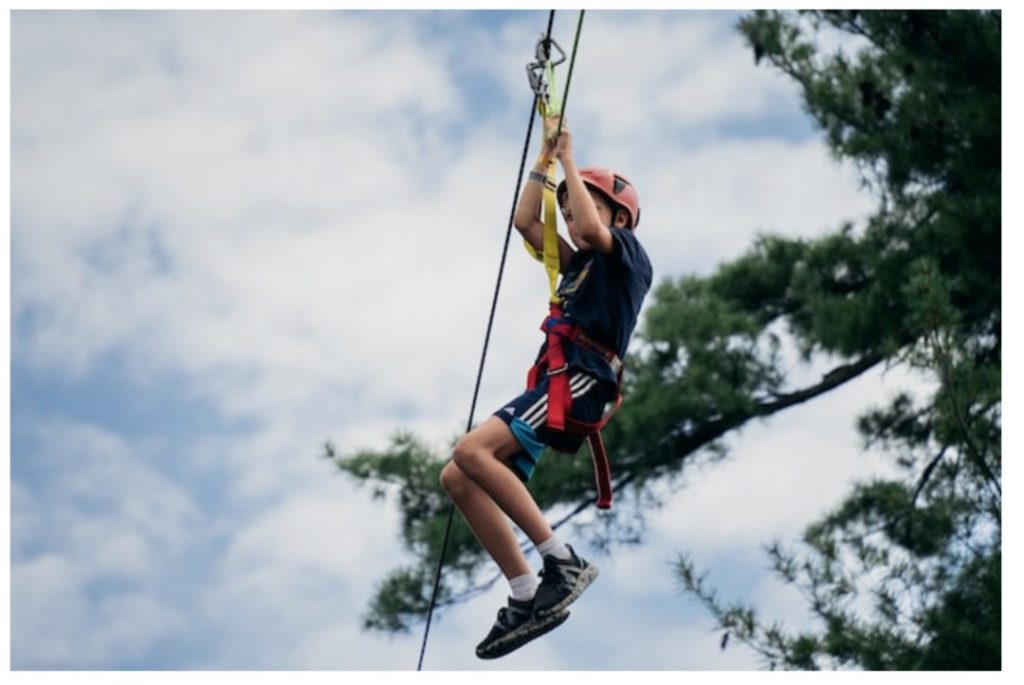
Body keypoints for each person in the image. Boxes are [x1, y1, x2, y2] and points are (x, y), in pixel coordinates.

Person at [439, 116, 653, 659]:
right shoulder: (578, 266)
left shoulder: (627, 256)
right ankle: (525, 591)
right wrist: (545, 161)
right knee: (458, 476)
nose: (575, 216)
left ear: (619, 216)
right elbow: (525, 222)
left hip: (584, 378)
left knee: (471, 451)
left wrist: (570, 160)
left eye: (585, 206)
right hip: (561, 380)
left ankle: (563, 561)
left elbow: (592, 231)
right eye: (572, 208)